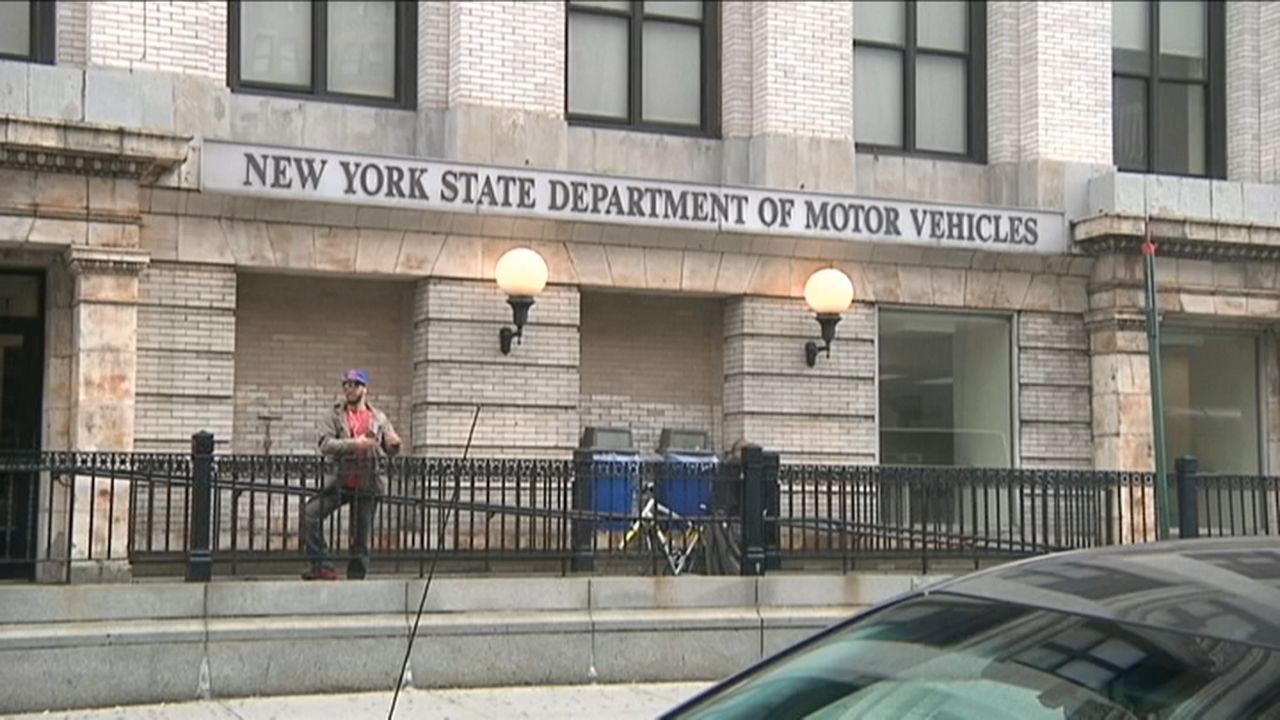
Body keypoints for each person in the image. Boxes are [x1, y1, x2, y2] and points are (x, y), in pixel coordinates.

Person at [301, 368, 402, 580]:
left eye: (354, 385)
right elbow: (326, 444)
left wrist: (394, 444)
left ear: (364, 389)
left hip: (368, 482)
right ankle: (322, 565)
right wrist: (355, 444)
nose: (349, 389)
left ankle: (356, 578)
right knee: (310, 514)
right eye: (346, 384)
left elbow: (389, 446)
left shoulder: (378, 417)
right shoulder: (335, 415)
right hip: (339, 481)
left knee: (361, 537)